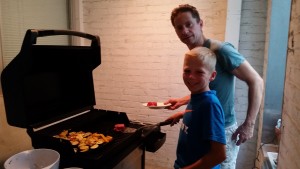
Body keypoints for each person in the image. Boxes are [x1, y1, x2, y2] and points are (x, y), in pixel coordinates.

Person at [165, 4, 264, 169]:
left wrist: (249, 124)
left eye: (189, 24)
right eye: (179, 27)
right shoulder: (196, 56)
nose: (184, 31)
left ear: (200, 24)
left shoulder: (221, 50)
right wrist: (183, 105)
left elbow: (256, 81)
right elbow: (209, 90)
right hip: (203, 127)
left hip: (222, 129)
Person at [168, 47, 226, 169]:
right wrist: (181, 114)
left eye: (199, 72)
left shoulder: (210, 104)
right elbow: (198, 115)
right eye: (187, 71)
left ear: (212, 75)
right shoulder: (198, 97)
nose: (191, 77)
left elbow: (219, 155)